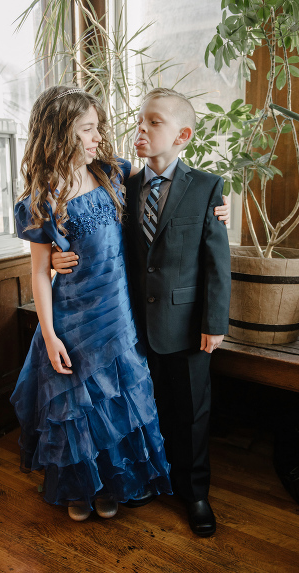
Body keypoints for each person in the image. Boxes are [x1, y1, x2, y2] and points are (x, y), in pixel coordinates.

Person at [52, 87, 231, 537]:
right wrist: (57, 256)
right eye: (139, 121)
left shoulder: (208, 187)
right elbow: (93, 235)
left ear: (183, 134)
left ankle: (196, 496)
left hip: (188, 326)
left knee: (190, 413)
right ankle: (153, 479)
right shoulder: (121, 183)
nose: (141, 131)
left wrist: (215, 323)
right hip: (128, 324)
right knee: (143, 408)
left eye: (154, 122)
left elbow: (216, 262)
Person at [12, 85, 173, 523]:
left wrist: (215, 208)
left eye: (97, 127)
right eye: (87, 129)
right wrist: (48, 335)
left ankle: (114, 483)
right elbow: (39, 274)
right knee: (77, 404)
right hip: (72, 316)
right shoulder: (41, 198)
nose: (97, 136)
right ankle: (79, 487)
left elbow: (167, 187)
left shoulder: (113, 173)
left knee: (118, 398)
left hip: (117, 310)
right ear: (61, 134)